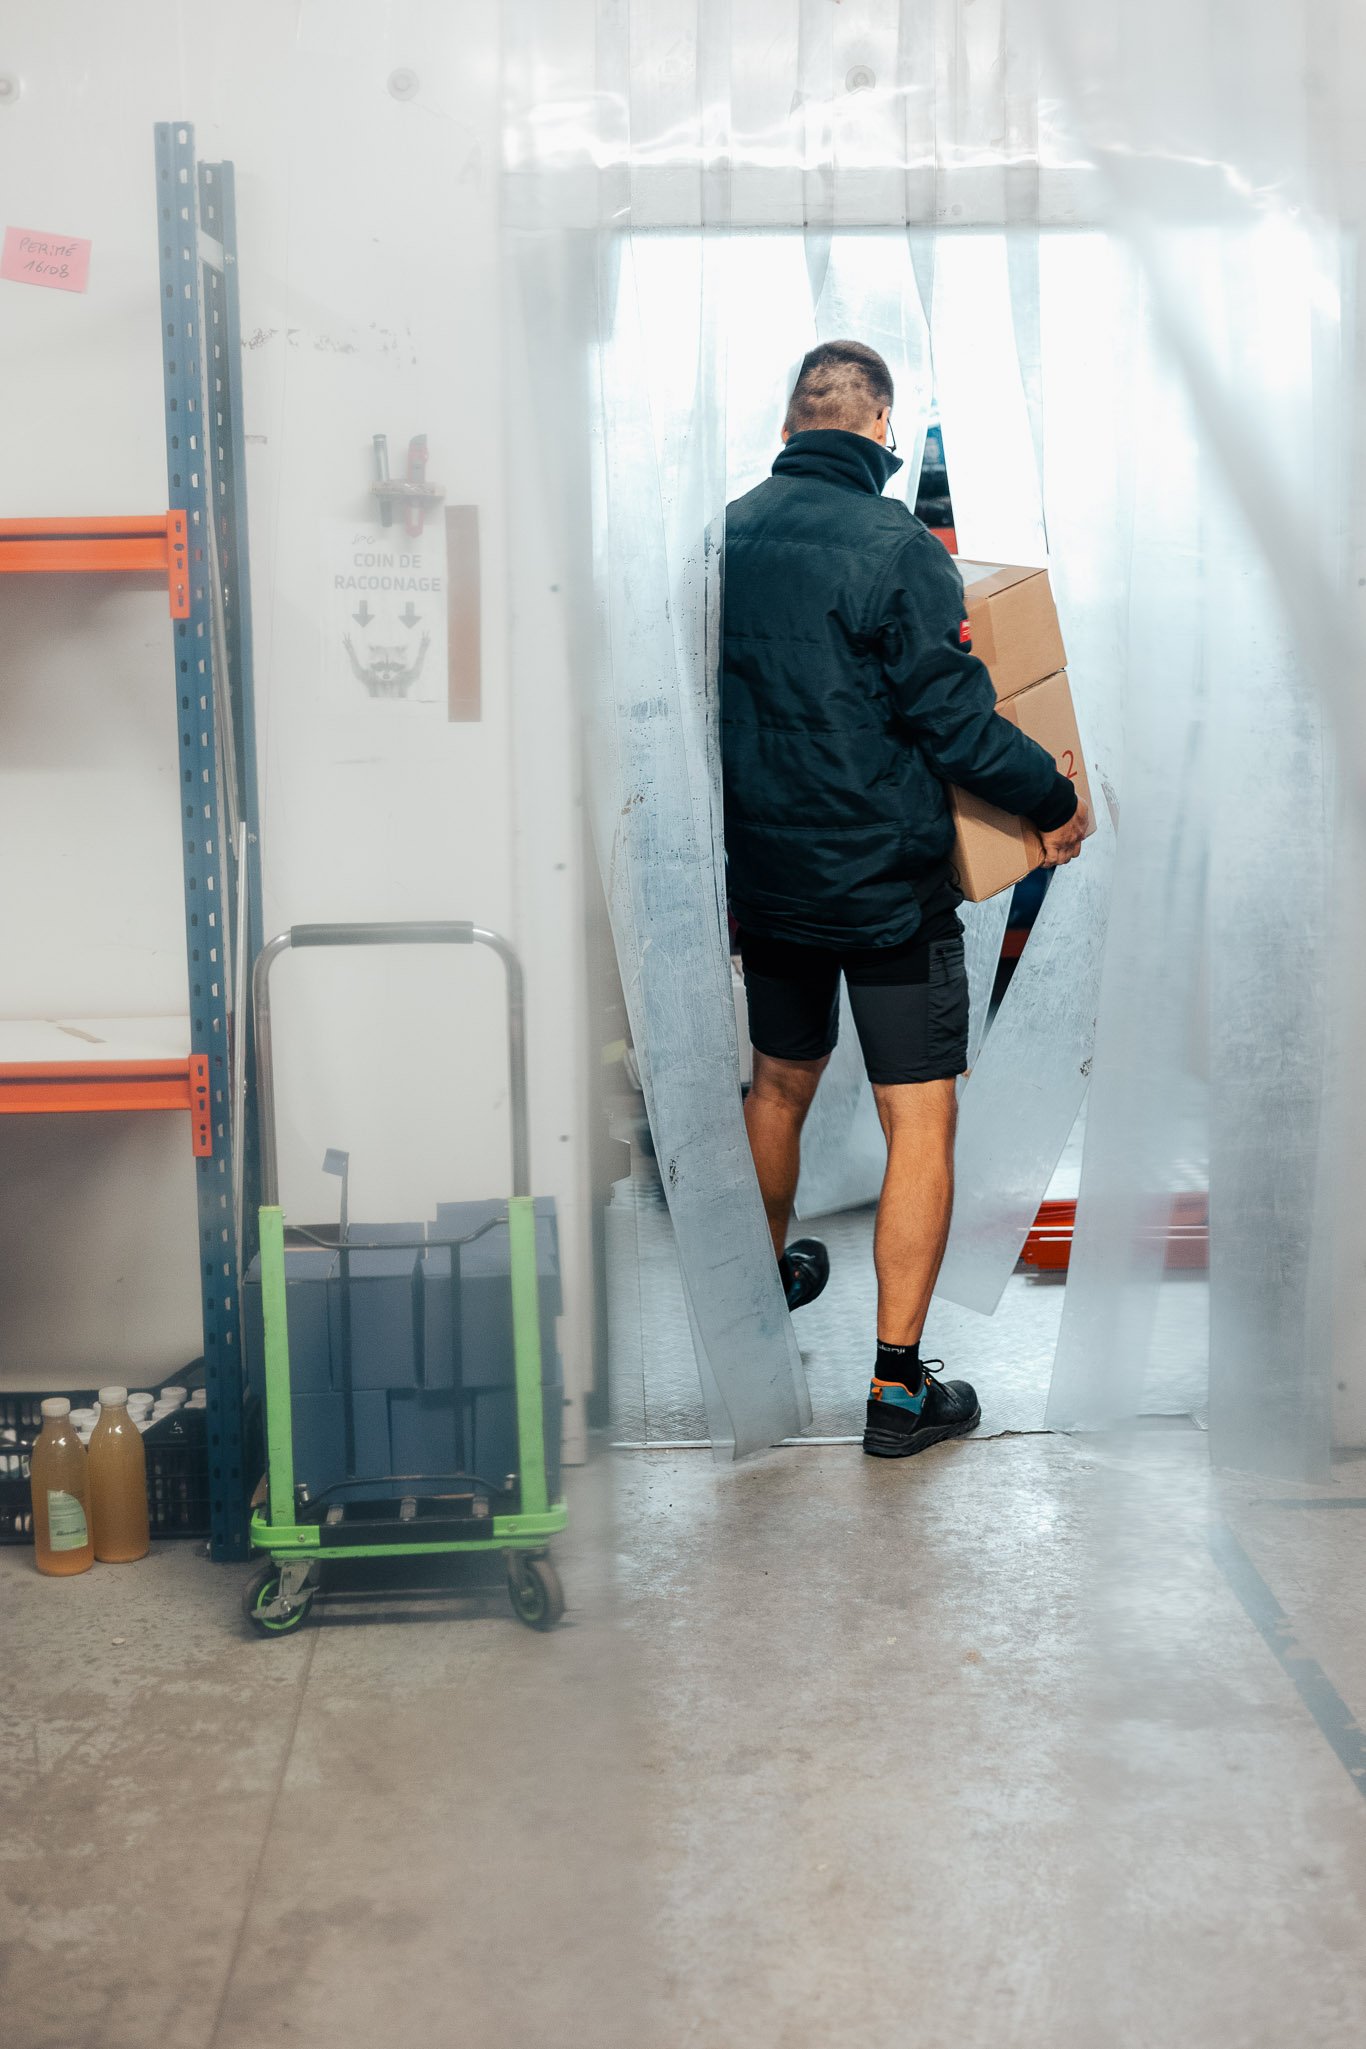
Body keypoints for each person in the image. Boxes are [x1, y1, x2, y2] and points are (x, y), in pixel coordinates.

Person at [721, 340, 1090, 1459]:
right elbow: (954, 723)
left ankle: (751, 1316)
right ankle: (894, 1391)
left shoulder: (723, 536)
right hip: (888, 887)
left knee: (778, 1089)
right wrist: (1051, 797)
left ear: (794, 422)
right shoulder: (896, 545)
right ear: (880, 426)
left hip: (771, 878)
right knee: (916, 1118)